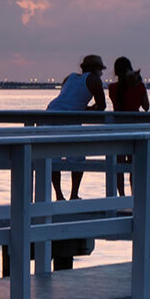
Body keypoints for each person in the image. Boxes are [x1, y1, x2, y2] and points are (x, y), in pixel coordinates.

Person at [45, 53, 106, 200]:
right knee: (77, 156)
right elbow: (101, 106)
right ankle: (73, 194)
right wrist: (86, 110)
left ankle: (59, 195)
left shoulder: (69, 77)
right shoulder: (94, 80)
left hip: (51, 113)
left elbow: (66, 98)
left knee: (53, 157)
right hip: (70, 117)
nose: (102, 73)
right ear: (95, 69)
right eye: (100, 70)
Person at [108, 56, 150, 195]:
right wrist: (139, 84)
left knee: (118, 166)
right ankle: (134, 195)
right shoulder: (139, 86)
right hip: (135, 130)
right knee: (135, 165)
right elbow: (146, 107)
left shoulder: (112, 88)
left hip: (117, 130)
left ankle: (121, 196)